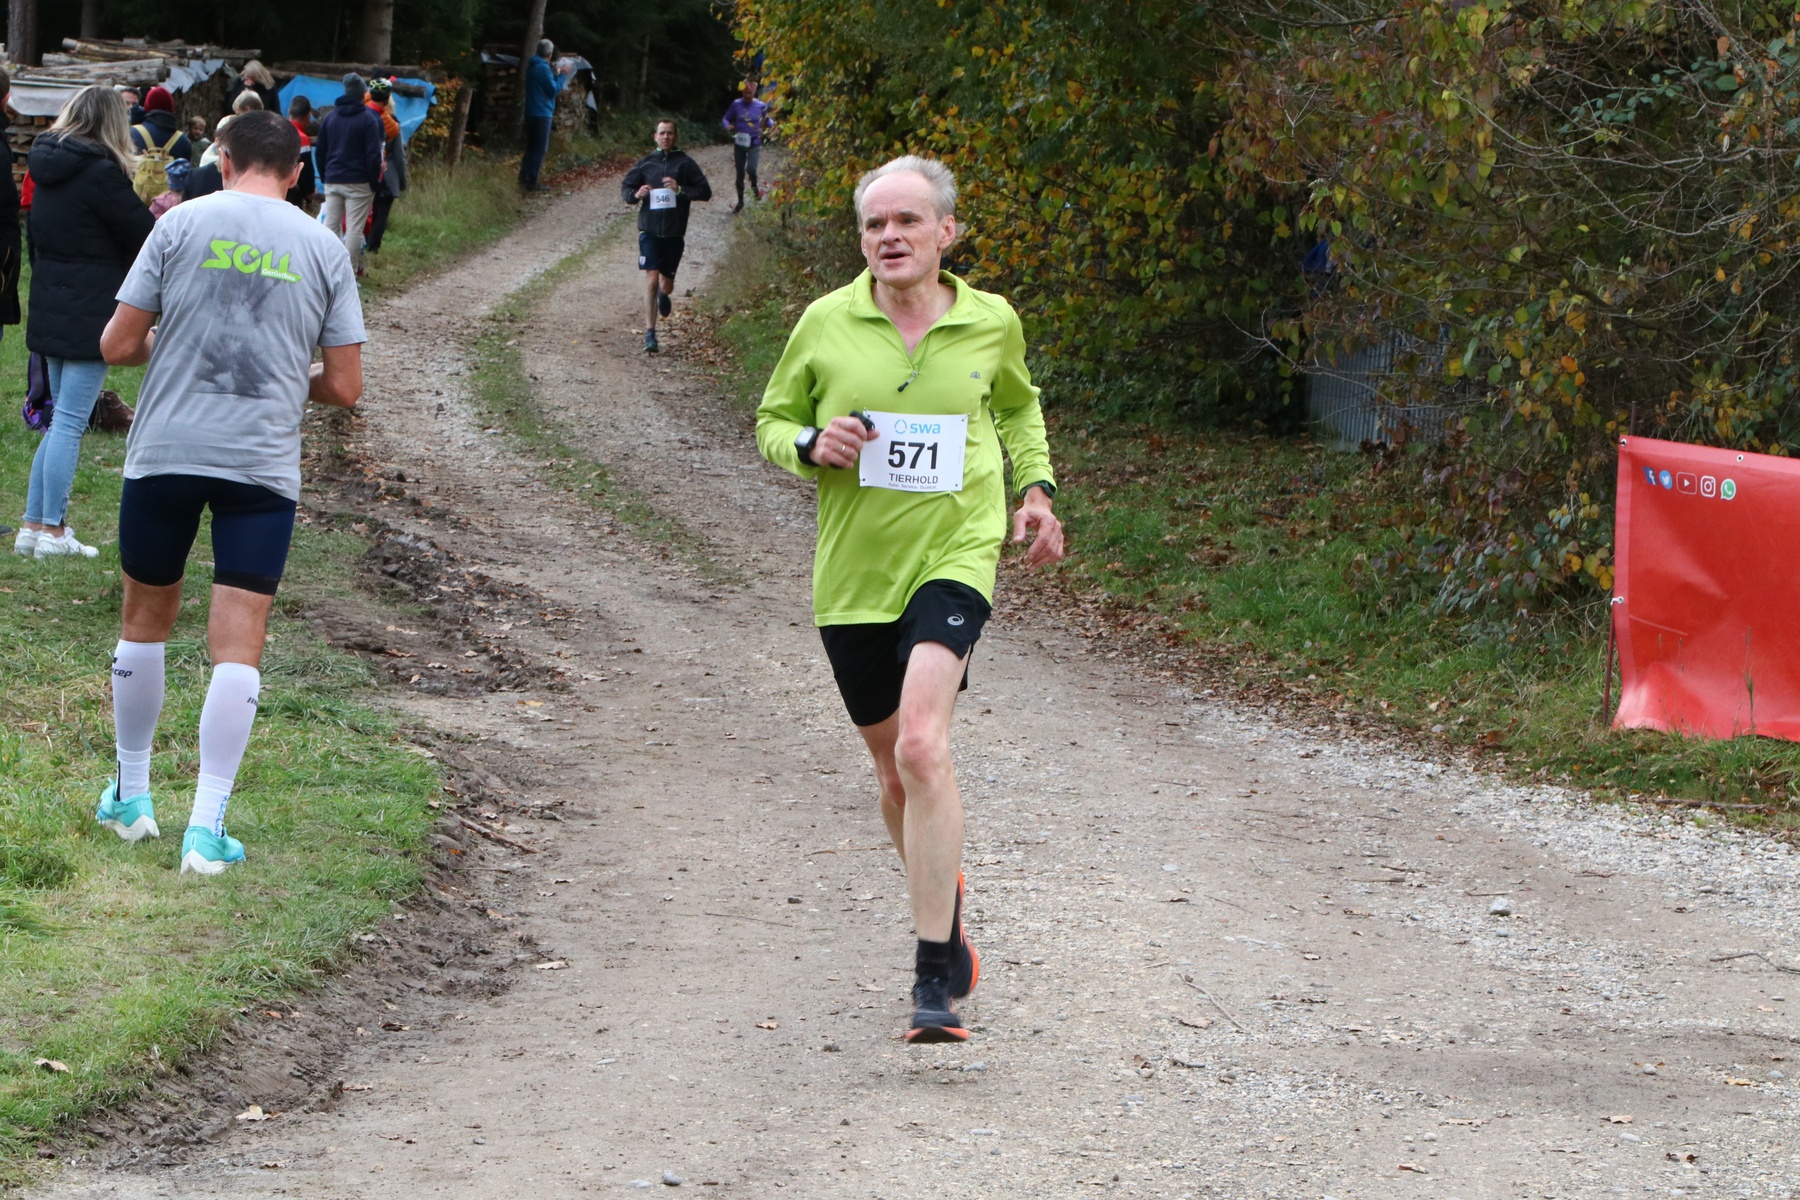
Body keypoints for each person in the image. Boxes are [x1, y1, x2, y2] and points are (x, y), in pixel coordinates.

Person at [754, 155, 1063, 1043]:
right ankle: (944, 897)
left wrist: (1035, 491)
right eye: (874, 224)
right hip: (855, 573)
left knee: (924, 745)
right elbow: (772, 421)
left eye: (907, 221)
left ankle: (934, 978)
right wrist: (810, 444)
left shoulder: (989, 321)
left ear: (945, 232)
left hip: (954, 551)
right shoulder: (826, 321)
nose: (889, 237)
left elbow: (1018, 408)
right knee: (893, 773)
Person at [95, 110, 366, 870]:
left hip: (168, 450)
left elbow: (117, 344)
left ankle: (131, 797)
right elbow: (345, 387)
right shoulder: (324, 246)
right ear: (297, 171)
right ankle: (207, 830)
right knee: (239, 642)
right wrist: (282, 373)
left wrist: (174, 346)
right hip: (260, 465)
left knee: (144, 622)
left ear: (222, 158)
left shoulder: (180, 224)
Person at [15, 85, 154, 560]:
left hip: (51, 303)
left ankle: (33, 525)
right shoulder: (101, 174)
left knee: (60, 421)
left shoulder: (45, 170)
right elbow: (146, 237)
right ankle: (53, 532)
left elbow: (37, 240)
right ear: (113, 123)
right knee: (70, 422)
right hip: (90, 311)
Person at [620, 119, 711, 354]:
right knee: (651, 278)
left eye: (670, 133)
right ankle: (650, 334)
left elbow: (705, 191)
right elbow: (626, 188)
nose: (666, 137)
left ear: (675, 137)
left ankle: (664, 293)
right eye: (662, 133)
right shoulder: (646, 163)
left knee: (666, 285)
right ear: (655, 136)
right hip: (649, 231)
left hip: (674, 232)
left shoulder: (685, 163)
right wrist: (636, 194)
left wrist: (680, 190)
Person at [312, 73, 383, 275]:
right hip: (359, 181)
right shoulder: (368, 120)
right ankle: (347, 274)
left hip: (333, 179)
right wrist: (374, 182)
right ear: (362, 94)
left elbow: (320, 151)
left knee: (331, 225)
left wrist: (326, 176)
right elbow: (373, 155)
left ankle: (329, 271)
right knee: (354, 229)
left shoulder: (330, 118)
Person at [520, 39, 574, 192]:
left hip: (531, 112)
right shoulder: (543, 68)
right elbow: (553, 90)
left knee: (531, 147)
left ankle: (524, 178)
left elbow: (545, 87)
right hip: (542, 113)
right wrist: (562, 75)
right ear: (549, 54)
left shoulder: (532, 66)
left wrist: (555, 75)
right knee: (539, 149)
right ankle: (531, 182)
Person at [128, 86, 191, 204]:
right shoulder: (183, 141)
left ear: (147, 106)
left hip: (136, 204)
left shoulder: (133, 133)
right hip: (170, 207)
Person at [720, 79, 774, 213]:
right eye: (745, 92)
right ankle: (740, 202)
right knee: (740, 173)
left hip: (754, 142)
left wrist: (772, 125)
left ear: (754, 92)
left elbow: (767, 119)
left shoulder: (761, 105)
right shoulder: (736, 104)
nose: (747, 95)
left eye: (750, 93)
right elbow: (725, 118)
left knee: (751, 169)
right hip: (740, 143)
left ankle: (754, 188)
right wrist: (727, 125)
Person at [365, 80, 407, 253]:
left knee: (368, 211)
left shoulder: (366, 117)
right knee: (382, 214)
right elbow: (399, 155)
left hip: (368, 172)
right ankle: (373, 246)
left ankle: (365, 242)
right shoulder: (393, 124)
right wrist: (402, 181)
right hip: (388, 173)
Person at [284, 96, 316, 209]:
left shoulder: (275, 130)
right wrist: (309, 192)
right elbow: (306, 171)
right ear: (308, 116)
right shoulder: (302, 139)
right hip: (293, 192)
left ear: (289, 112)